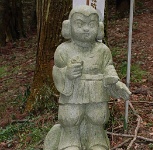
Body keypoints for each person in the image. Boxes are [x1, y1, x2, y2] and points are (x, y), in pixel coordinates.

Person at [44, 5, 131, 150]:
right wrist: (67, 73)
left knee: (97, 118)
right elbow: (57, 71)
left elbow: (108, 69)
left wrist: (115, 84)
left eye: (91, 24)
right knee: (71, 119)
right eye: (79, 23)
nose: (86, 29)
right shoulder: (63, 50)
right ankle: (69, 142)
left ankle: (97, 142)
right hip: (72, 96)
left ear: (99, 27)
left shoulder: (103, 50)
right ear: (69, 27)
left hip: (97, 94)